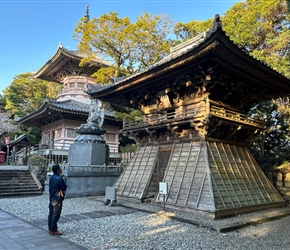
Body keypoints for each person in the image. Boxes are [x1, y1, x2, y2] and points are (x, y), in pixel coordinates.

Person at [48, 164, 67, 235]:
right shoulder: (59, 178)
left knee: (51, 214)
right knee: (56, 214)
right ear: (57, 170)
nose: (61, 169)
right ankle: (54, 230)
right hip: (57, 198)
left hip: (52, 197)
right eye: (60, 168)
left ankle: (50, 228)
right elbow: (64, 187)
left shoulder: (51, 178)